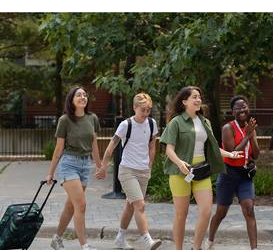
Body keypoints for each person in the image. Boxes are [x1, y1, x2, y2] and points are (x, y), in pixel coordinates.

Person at [160, 86, 243, 250]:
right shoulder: (176, 122)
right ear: (185, 102)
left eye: (199, 97)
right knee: (181, 214)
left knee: (206, 211)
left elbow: (212, 147)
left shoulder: (205, 122)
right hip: (180, 172)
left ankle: (196, 248)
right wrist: (179, 163)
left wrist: (230, 155)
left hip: (202, 171)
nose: (198, 100)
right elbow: (169, 149)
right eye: (194, 97)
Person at [97, 93, 162, 250]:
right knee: (140, 205)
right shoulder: (126, 125)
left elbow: (152, 146)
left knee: (131, 205)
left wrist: (150, 165)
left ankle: (120, 237)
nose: (146, 114)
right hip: (127, 171)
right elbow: (111, 146)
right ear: (134, 107)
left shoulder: (152, 123)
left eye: (148, 110)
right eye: (142, 110)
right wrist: (103, 167)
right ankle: (147, 239)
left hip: (143, 171)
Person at [46, 87, 102, 250]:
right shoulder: (65, 120)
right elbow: (58, 149)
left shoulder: (92, 118)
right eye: (78, 95)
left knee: (71, 206)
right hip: (69, 164)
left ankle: (57, 238)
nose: (83, 97)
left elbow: (94, 145)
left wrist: (99, 166)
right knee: (81, 205)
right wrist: (50, 172)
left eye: (85, 95)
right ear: (71, 100)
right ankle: (84, 245)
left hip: (85, 165)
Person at [206, 95, 260, 250]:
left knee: (249, 209)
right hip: (228, 174)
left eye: (244, 107)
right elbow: (232, 152)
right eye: (238, 108)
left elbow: (256, 155)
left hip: (244, 176)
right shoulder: (228, 128)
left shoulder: (250, 127)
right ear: (232, 111)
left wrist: (252, 137)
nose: (242, 110)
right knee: (221, 212)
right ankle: (210, 241)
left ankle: (254, 248)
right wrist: (248, 136)